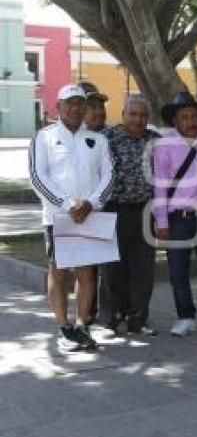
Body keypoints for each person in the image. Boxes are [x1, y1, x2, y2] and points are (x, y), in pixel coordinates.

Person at [28, 84, 114, 352]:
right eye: (70, 103)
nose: (76, 108)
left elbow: (109, 176)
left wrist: (91, 203)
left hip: (90, 215)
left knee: (87, 272)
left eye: (80, 103)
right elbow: (37, 177)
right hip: (58, 217)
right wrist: (67, 205)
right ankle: (63, 327)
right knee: (59, 271)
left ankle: (81, 325)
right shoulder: (43, 137)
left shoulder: (99, 140)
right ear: (59, 107)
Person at [153, 91, 197, 339]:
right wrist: (161, 220)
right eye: (184, 117)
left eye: (195, 116)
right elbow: (160, 186)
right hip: (177, 218)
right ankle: (186, 316)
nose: (190, 121)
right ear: (175, 120)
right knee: (177, 270)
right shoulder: (164, 145)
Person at [103, 94, 160, 336]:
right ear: (123, 113)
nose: (138, 120)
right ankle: (112, 317)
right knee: (112, 268)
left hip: (145, 212)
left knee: (143, 269)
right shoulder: (107, 139)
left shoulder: (156, 141)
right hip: (113, 210)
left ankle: (139, 319)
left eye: (143, 115)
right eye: (133, 114)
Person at [79, 81, 109, 324]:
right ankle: (85, 312)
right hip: (77, 211)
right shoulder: (68, 138)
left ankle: (107, 312)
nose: (98, 112)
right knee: (82, 264)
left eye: (100, 107)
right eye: (92, 107)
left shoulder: (111, 135)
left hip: (107, 210)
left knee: (106, 266)